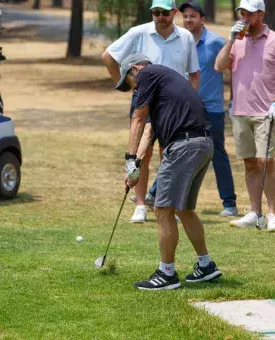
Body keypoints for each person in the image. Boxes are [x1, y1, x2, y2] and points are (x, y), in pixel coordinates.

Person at [118, 53, 222, 290]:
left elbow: (137, 117)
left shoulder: (147, 74)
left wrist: (129, 160)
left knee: (163, 209)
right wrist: (135, 168)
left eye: (130, 83)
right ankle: (206, 266)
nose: (133, 89)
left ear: (135, 69)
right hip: (202, 143)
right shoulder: (163, 83)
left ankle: (167, 274)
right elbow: (149, 130)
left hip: (184, 145)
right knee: (184, 209)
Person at [102, 0, 200, 223]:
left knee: (170, 154)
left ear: (174, 13)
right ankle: (140, 205)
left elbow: (194, 74)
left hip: (174, 107)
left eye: (164, 13)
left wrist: (190, 101)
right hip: (144, 101)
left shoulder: (185, 37)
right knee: (141, 154)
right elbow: (108, 56)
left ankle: (167, 204)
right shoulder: (139, 32)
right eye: (156, 12)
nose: (159, 17)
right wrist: (127, 87)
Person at [214, 0, 275, 232]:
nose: (245, 18)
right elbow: (219, 67)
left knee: (265, 162)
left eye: (249, 13)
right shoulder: (236, 41)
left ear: (261, 14)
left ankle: (272, 214)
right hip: (240, 112)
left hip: (265, 113)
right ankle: (254, 213)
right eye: (242, 13)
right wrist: (230, 40)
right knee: (249, 163)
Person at [178, 1, 238, 217]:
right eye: (185, 16)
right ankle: (161, 196)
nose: (187, 20)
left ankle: (229, 203)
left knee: (217, 154)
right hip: (185, 108)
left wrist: (233, 98)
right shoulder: (180, 41)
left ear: (202, 19)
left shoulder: (215, 42)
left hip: (211, 109)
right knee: (181, 152)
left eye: (192, 16)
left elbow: (232, 69)